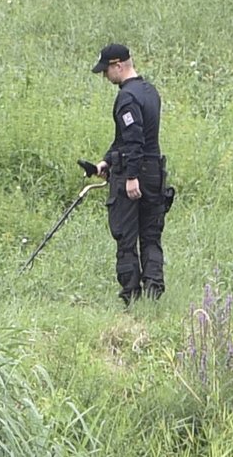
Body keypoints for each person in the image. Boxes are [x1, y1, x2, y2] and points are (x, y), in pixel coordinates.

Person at [91, 43, 168, 304]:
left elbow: (134, 139)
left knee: (126, 236)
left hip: (134, 174)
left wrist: (131, 175)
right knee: (151, 235)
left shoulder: (127, 97)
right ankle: (154, 291)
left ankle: (132, 297)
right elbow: (127, 139)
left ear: (118, 65)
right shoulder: (150, 92)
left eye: (106, 71)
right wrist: (106, 162)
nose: (105, 77)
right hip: (155, 171)